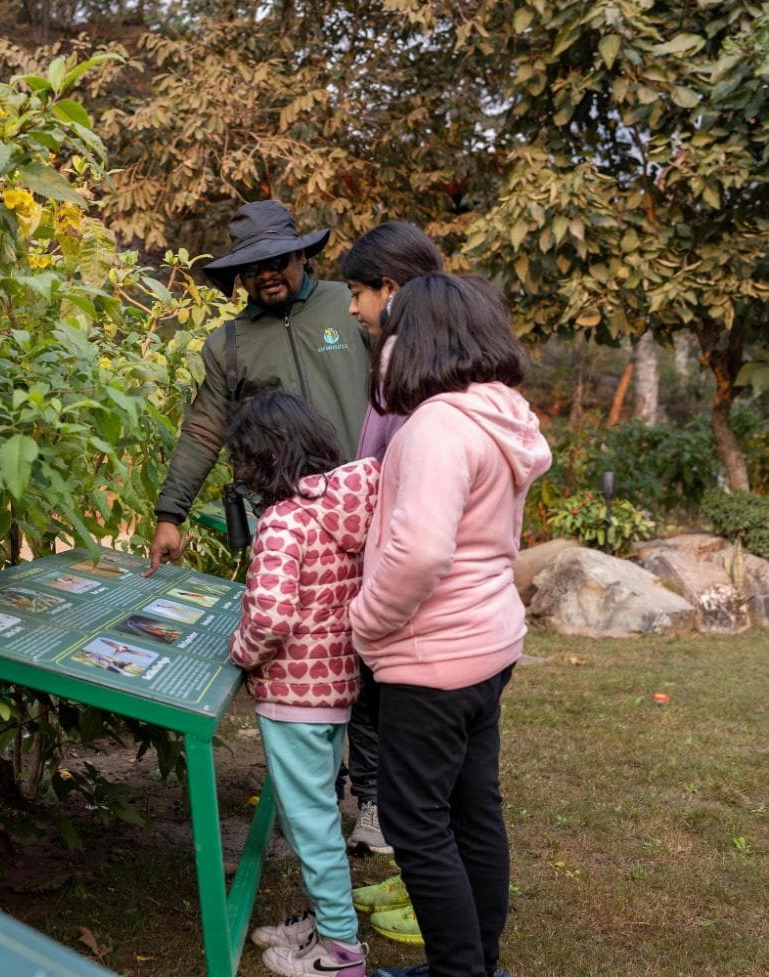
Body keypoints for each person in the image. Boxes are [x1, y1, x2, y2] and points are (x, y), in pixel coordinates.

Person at [350, 274, 551, 977]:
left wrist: (363, 623)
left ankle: (460, 972)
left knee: (415, 823)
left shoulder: (437, 424)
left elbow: (421, 551)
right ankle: (475, 966)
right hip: (488, 646)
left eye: (388, 331)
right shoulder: (501, 417)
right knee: (472, 810)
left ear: (415, 339)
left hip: (432, 658)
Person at [226, 390, 379, 977]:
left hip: (292, 694)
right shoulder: (341, 510)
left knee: (310, 822)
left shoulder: (283, 521)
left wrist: (241, 652)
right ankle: (322, 920)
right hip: (335, 688)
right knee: (313, 812)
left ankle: (339, 952)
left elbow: (269, 616)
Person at [147, 200, 371, 574]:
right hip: (288, 527)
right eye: (251, 267)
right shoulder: (229, 345)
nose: (266, 274)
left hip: (369, 505)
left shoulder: (351, 306)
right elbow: (203, 431)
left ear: (301, 254)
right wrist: (170, 515)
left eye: (277, 261)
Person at [332, 221, 446, 859]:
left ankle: (384, 821)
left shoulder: (404, 361)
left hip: (403, 588)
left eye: (358, 291)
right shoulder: (446, 356)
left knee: (384, 716)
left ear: (391, 288)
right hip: (449, 609)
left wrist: (368, 614)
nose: (352, 307)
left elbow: (387, 471)